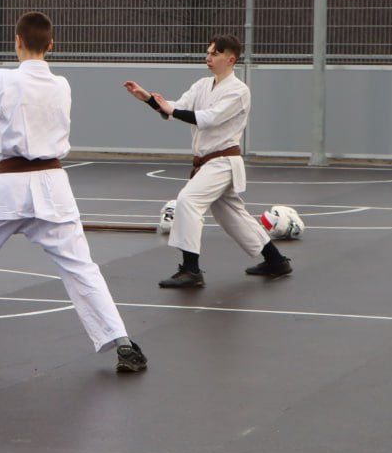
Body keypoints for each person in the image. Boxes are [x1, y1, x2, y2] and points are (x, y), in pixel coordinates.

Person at [0, 12, 146, 372]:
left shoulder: (0, 79)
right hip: (53, 186)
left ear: (17, 41)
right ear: (51, 45)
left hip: (9, 185)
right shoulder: (62, 85)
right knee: (80, 267)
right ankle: (124, 343)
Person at [124, 33, 292, 288]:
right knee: (232, 215)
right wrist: (149, 99)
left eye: (215, 53)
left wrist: (169, 109)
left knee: (188, 201)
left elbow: (209, 118)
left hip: (223, 161)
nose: (208, 57)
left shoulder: (238, 91)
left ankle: (191, 269)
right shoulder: (202, 85)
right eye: (208, 52)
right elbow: (177, 108)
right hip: (209, 163)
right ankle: (276, 260)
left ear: (231, 59)